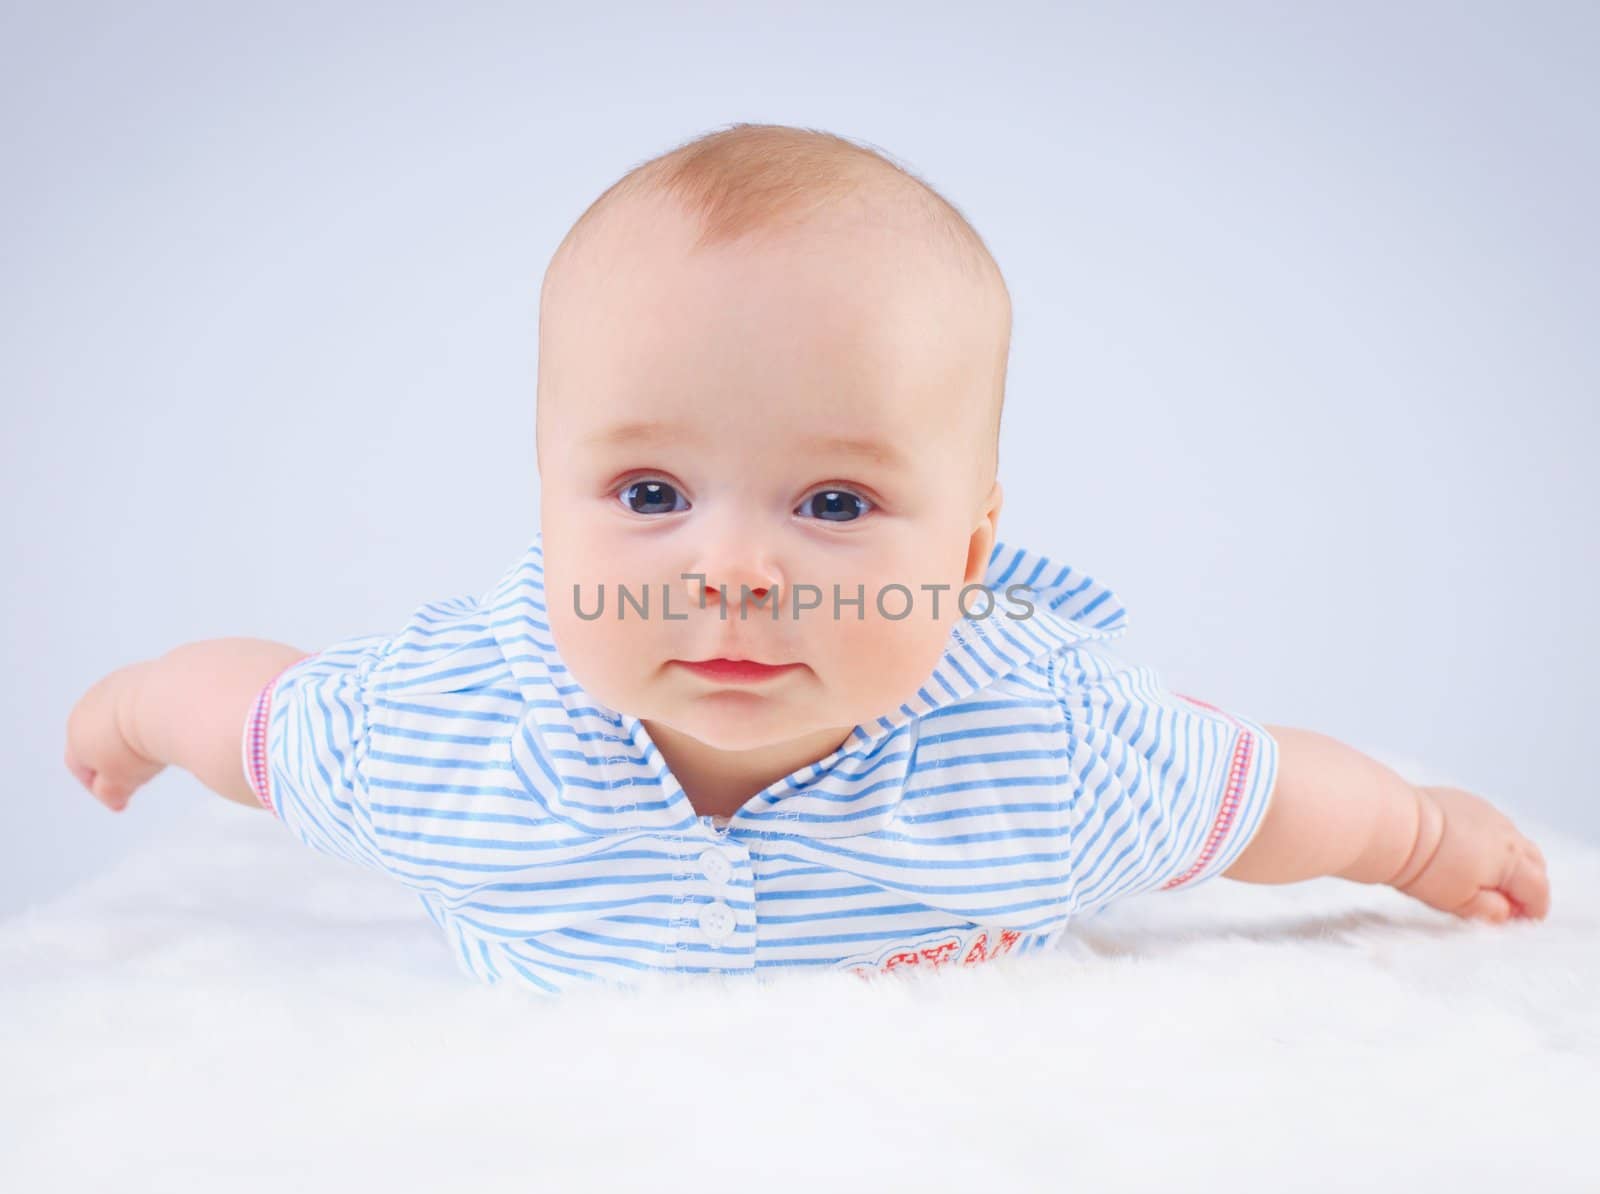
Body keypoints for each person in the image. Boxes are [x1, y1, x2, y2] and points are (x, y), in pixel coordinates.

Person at [64, 123, 1550, 996]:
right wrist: (137, 711)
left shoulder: (1055, 749)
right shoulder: (444, 728)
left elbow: (1274, 796)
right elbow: (252, 717)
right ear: (546, 503)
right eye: (648, 488)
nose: (730, 567)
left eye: (834, 504)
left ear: (967, 550)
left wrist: (1421, 836)